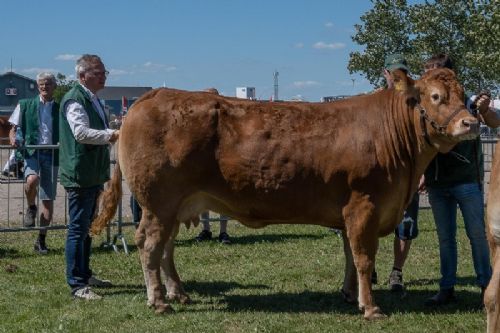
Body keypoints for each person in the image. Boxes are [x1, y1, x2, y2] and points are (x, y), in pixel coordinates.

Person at [423, 53, 500, 306]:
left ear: (450, 74)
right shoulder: (427, 106)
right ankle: (447, 287)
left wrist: (485, 110)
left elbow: (494, 122)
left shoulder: (468, 101)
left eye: (435, 71)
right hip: (437, 182)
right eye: (427, 71)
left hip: (467, 180)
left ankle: (485, 285)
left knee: (477, 235)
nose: (429, 76)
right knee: (445, 238)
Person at [59, 54, 119, 300]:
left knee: (85, 228)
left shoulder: (91, 98)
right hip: (80, 173)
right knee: (77, 228)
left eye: (104, 72)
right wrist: (111, 134)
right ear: (82, 76)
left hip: (91, 172)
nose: (103, 76)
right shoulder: (75, 99)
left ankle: (84, 274)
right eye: (98, 72)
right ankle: (76, 283)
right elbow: (81, 133)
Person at [8, 72, 59, 254]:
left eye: (48, 84)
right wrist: (13, 138)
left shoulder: (60, 109)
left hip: (53, 154)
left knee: (48, 199)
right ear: (38, 87)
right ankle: (31, 207)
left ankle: (41, 240)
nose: (45, 87)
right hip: (32, 152)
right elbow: (13, 129)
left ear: (54, 87)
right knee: (31, 180)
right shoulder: (25, 105)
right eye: (41, 85)